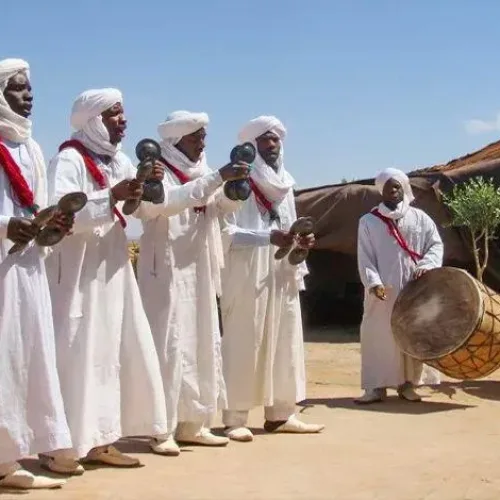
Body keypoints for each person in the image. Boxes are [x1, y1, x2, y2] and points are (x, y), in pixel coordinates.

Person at [42, 88, 171, 474]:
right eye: (115, 114)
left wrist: (146, 184)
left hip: (112, 266)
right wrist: (108, 197)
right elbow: (58, 213)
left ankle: (101, 439)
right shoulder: (68, 158)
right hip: (78, 271)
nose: (123, 120)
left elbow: (133, 209)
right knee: (76, 351)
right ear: (93, 119)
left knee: (108, 352)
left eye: (123, 113)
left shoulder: (117, 160)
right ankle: (59, 447)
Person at [136, 110, 250, 455]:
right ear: (176, 141)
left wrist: (233, 192)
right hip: (166, 269)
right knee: (169, 346)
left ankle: (193, 424)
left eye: (203, 136)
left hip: (199, 267)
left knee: (201, 341)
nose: (203, 142)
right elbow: (164, 205)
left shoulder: (203, 172)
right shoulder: (158, 171)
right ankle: (162, 429)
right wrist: (217, 178)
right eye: (195, 136)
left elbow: (217, 209)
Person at [219, 115, 325, 442]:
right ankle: (234, 417)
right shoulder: (237, 183)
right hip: (247, 271)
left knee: (285, 340)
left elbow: (289, 228)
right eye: (264, 139)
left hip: (281, 273)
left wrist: (299, 242)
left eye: (276, 139)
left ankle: (282, 414)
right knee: (244, 340)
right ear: (250, 145)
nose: (271, 144)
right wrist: (267, 239)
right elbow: (225, 233)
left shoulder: (286, 185)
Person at [0, 58, 74, 489]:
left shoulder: (29, 147)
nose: (29, 96)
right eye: (18, 88)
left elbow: (37, 205)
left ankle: (10, 457)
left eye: (30, 89)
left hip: (27, 266)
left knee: (25, 357)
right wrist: (5, 226)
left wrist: (52, 225)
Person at [355, 167, 443, 404]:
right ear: (380, 191)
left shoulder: (420, 218)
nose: (392, 191)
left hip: (415, 288)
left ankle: (408, 384)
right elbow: (365, 257)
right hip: (384, 291)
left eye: (397, 186)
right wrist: (374, 283)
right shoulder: (369, 222)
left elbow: (435, 245)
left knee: (412, 334)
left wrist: (428, 264)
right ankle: (375, 388)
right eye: (387, 187)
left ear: (404, 188)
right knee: (379, 335)